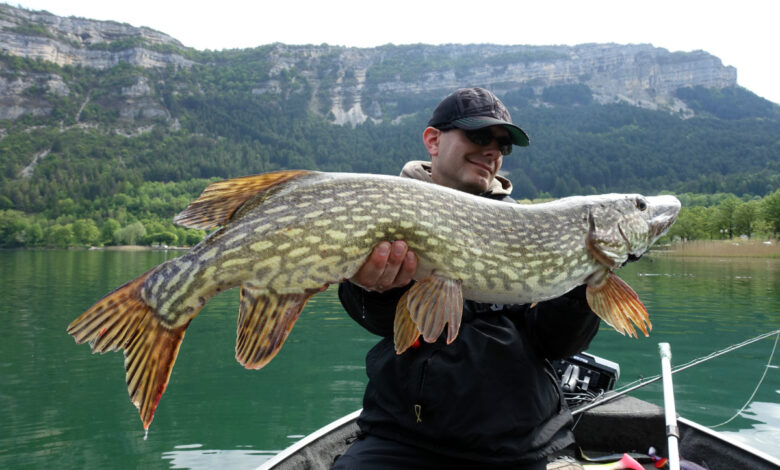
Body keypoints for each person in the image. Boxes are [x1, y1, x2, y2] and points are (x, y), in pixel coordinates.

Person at [333, 87, 600, 470]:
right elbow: (378, 322)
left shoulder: (530, 228)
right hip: (404, 435)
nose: (493, 150)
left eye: (503, 145)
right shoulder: (388, 211)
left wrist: (581, 283)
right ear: (433, 140)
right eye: (478, 136)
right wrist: (373, 288)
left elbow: (556, 342)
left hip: (521, 441)